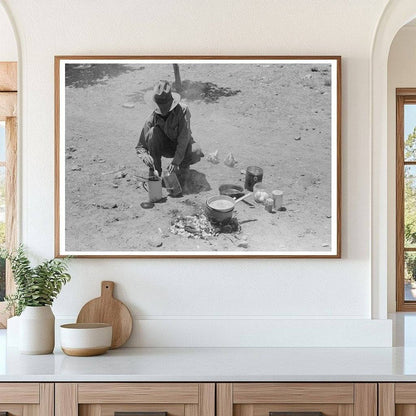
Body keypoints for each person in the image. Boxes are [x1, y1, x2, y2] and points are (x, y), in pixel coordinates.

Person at [136, 80, 204, 177]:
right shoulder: (152, 118)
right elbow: (140, 146)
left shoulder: (182, 111)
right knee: (152, 132)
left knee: (195, 151)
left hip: (182, 147)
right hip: (166, 148)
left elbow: (184, 138)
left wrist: (175, 162)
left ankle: (183, 170)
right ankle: (156, 173)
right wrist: (145, 156)